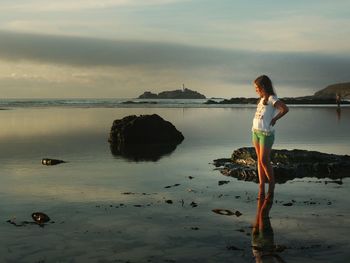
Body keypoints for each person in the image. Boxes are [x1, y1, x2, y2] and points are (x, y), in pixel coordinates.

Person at [252, 75, 289, 196]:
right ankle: (261, 184)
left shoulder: (271, 98)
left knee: (264, 160)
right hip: (256, 132)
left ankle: (272, 184)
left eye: (257, 87)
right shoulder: (261, 99)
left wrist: (275, 119)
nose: (255, 90)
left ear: (263, 86)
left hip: (266, 134)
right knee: (259, 160)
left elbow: (284, 109)